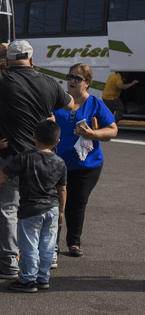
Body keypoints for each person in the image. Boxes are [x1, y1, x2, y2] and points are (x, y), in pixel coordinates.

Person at [0, 41, 72, 280]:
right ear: (32, 60)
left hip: (11, 155)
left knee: (7, 210)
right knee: (44, 207)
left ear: (10, 59)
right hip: (44, 157)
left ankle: (8, 262)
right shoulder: (48, 83)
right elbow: (70, 103)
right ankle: (47, 258)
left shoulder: (0, 79)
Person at [0, 120, 66, 293]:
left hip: (31, 210)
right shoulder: (60, 162)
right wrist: (61, 210)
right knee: (47, 245)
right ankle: (43, 277)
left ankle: (27, 279)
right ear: (57, 142)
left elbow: (3, 176)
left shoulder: (25, 157)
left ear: (33, 136)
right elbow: (62, 189)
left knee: (29, 246)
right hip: (52, 209)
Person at [53, 64, 117, 258]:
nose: (72, 81)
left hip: (87, 166)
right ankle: (52, 244)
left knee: (77, 203)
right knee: (55, 204)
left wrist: (92, 133)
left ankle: (74, 242)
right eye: (70, 76)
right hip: (56, 163)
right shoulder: (57, 100)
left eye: (78, 78)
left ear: (87, 83)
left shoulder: (95, 104)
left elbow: (112, 130)